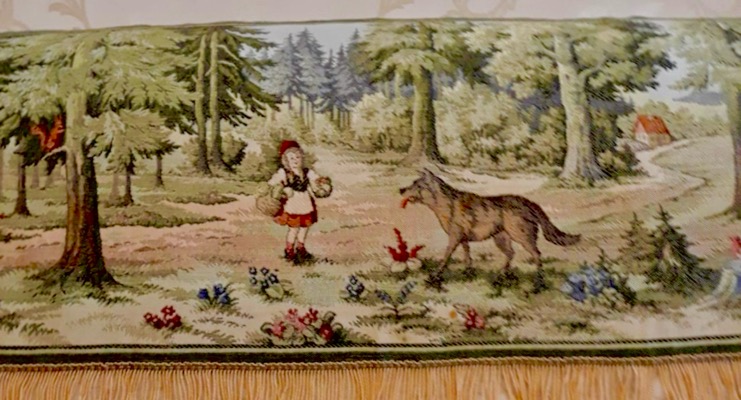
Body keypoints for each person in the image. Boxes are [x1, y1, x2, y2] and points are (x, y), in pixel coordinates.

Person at [268, 140, 327, 263]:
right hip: (292, 204)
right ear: (286, 160)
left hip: (305, 203)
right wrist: (283, 189)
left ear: (302, 158)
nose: (295, 161)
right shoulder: (284, 173)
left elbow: (316, 180)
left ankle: (301, 248)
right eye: (291, 158)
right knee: (294, 228)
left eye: (297, 157)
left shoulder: (307, 172)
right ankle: (289, 250)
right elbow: (272, 183)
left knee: (305, 227)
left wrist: (321, 183)